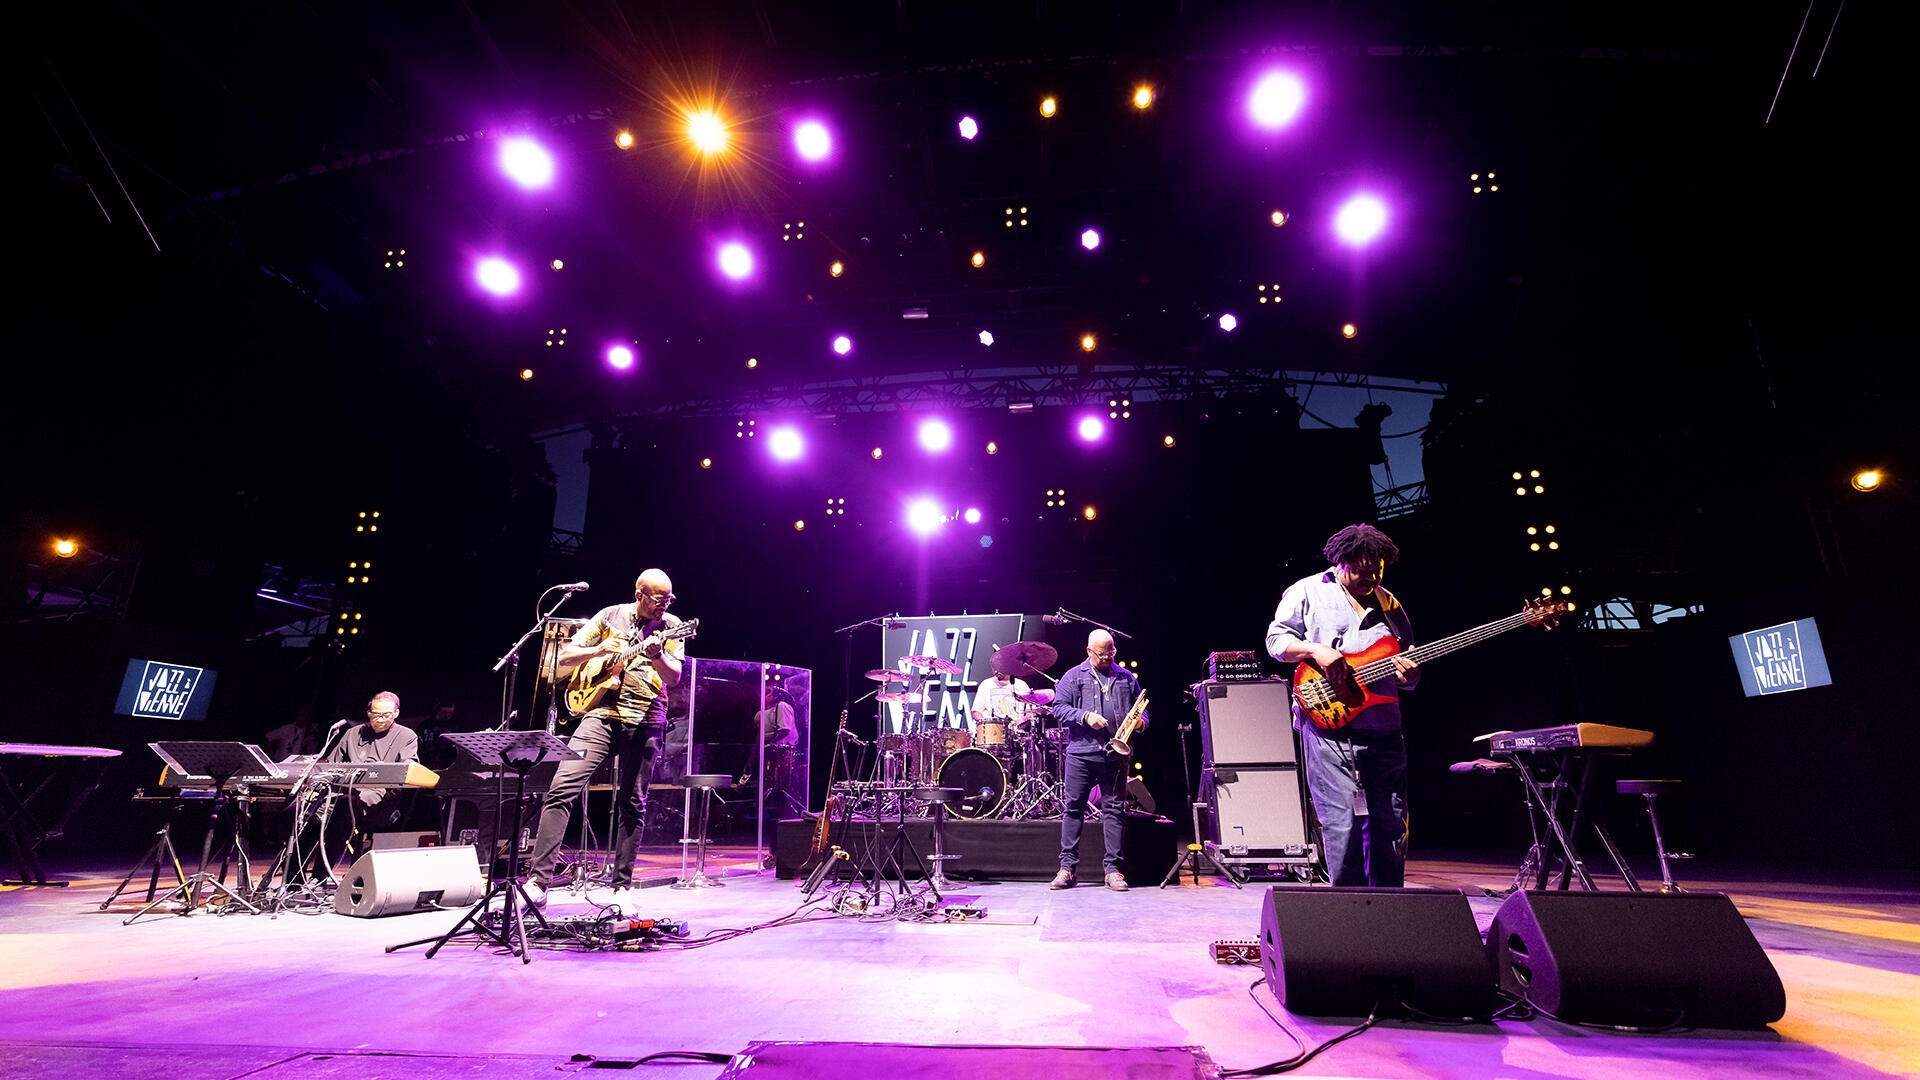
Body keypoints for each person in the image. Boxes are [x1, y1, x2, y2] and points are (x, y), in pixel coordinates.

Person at [1265, 524, 1420, 887]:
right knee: (1341, 824)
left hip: (1384, 725)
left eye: (1377, 570)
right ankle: (1348, 913)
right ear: (1340, 563)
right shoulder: (1306, 591)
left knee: (1391, 823)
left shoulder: (1390, 603)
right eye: (1363, 570)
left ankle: (1390, 912)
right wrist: (1314, 649)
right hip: (1328, 726)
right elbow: (1276, 641)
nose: (1371, 578)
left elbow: (1407, 663)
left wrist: (1410, 676)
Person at [526, 570, 686, 905]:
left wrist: (656, 655)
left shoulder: (672, 626)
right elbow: (564, 657)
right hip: (599, 715)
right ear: (639, 593)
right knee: (561, 790)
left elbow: (674, 677)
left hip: (647, 719)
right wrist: (598, 649)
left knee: (632, 802)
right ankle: (538, 884)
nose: (664, 605)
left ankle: (621, 887)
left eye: (668, 599)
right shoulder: (609, 616)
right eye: (659, 598)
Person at [1047, 629, 1146, 891]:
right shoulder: (1072, 676)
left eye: (1112, 652)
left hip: (1116, 755)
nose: (1108, 658)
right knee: (1073, 809)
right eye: (1103, 654)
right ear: (1090, 651)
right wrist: (1084, 716)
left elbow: (1142, 708)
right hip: (1081, 753)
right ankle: (1067, 868)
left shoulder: (1125, 677)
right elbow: (1058, 708)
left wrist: (1140, 724)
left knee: (1114, 811)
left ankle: (1113, 870)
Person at [325, 691, 420, 861]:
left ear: (396, 713)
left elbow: (409, 766)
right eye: (375, 714)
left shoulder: (407, 735)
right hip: (348, 790)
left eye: (386, 715)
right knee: (301, 811)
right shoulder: (353, 733)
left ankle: (326, 873)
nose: (380, 719)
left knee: (343, 808)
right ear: (368, 713)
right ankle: (303, 876)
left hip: (382, 794)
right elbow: (331, 765)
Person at [969, 662, 1031, 730]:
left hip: (1016, 733)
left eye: (999, 668)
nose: (996, 671)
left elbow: (1031, 712)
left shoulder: (1022, 685)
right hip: (992, 734)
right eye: (994, 668)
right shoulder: (986, 684)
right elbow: (976, 712)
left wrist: (1022, 721)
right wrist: (987, 727)